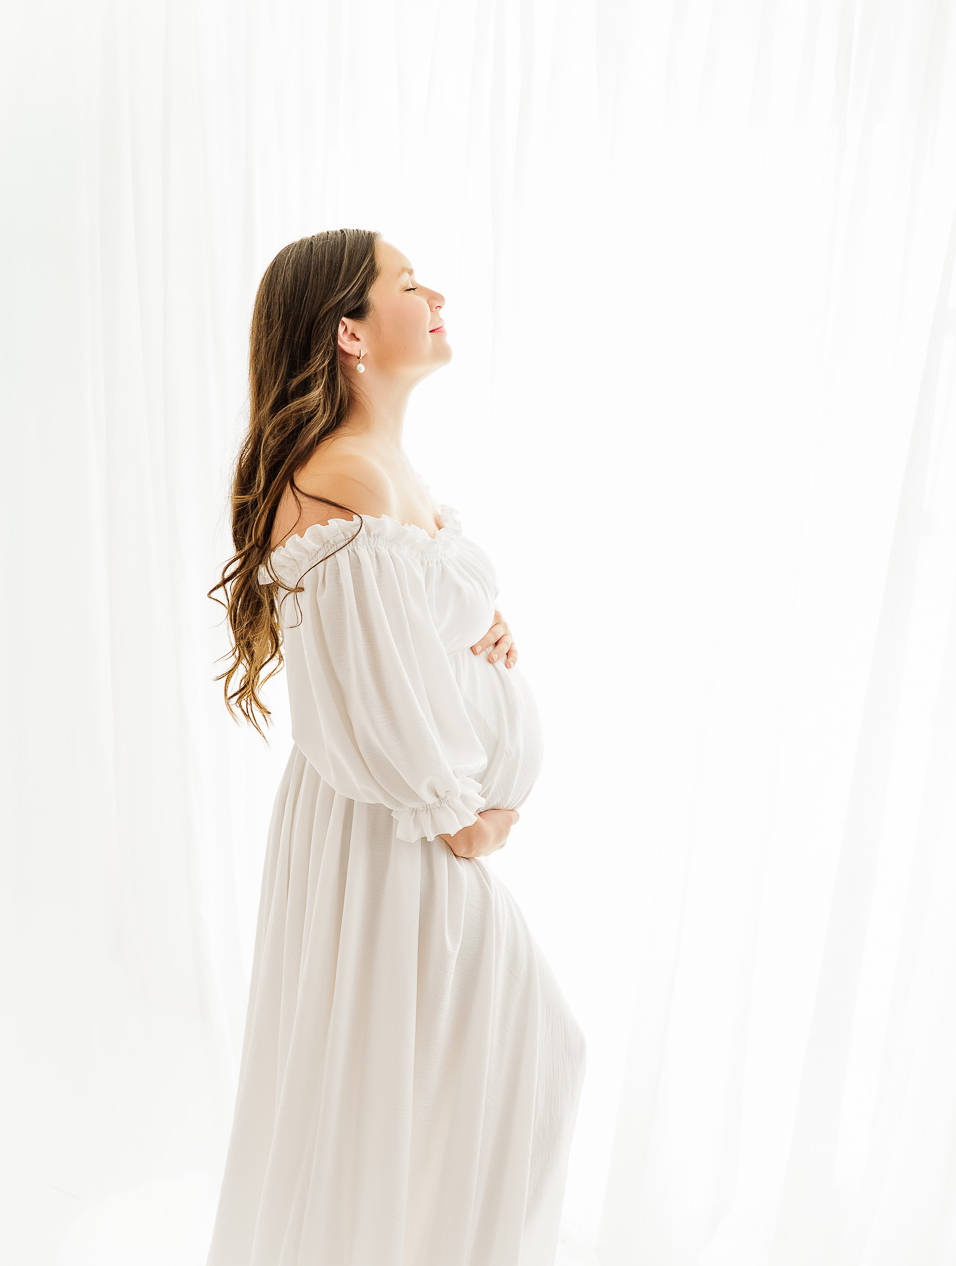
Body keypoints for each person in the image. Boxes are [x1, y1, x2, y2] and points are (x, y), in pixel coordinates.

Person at [205, 227, 586, 1265]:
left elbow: (398, 636)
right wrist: (462, 818)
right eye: (409, 284)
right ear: (351, 333)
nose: (436, 295)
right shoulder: (346, 479)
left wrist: (482, 627)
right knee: (467, 1080)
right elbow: (367, 700)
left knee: (450, 1090)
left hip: (408, 827)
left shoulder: (379, 471)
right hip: (398, 831)